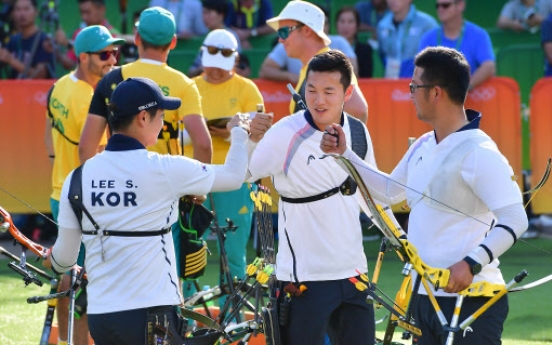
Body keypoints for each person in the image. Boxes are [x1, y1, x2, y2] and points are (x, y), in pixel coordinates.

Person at [320, 46, 529, 345]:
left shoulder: (479, 152)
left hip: (473, 300)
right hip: (425, 297)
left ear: (436, 93)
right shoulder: (422, 145)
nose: (410, 93)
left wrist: (472, 262)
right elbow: (390, 192)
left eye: (414, 86)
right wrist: (345, 154)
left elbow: (515, 218)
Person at [43, 77, 250, 345]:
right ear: (143, 117)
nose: (163, 124)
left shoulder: (77, 178)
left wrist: (51, 258)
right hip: (154, 313)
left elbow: (64, 260)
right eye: (161, 116)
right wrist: (240, 132)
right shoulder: (165, 168)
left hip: (103, 318)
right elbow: (234, 176)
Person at [247, 50, 376, 345]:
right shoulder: (284, 133)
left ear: (348, 92)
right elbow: (244, 173)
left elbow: (373, 196)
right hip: (302, 278)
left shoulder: (357, 131)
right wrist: (250, 139)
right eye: (312, 90)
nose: (319, 100)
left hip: (354, 273)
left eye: (329, 91)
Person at [43, 25, 124, 345]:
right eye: (105, 54)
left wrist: (59, 167)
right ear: (83, 57)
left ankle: (65, 342)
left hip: (60, 190)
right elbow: (101, 154)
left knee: (68, 274)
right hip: (84, 199)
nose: (112, 60)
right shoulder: (88, 100)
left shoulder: (61, 85)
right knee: (86, 280)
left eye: (115, 53)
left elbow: (49, 136)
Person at [79, 6, 212, 165]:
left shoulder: (111, 79)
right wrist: (197, 189)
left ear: (136, 38)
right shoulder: (185, 84)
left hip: (122, 182)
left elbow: (86, 147)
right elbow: (203, 144)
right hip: (166, 183)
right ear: (173, 42)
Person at [189, 28, 263, 299]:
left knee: (233, 252)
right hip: (196, 176)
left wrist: (236, 132)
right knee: (188, 247)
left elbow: (259, 132)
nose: (216, 72)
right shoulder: (192, 86)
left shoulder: (247, 89)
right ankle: (181, 315)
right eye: (210, 66)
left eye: (222, 67)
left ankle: (233, 320)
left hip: (235, 180)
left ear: (235, 60)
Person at [265, 0, 368, 123]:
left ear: (307, 31)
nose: (281, 40)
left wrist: (329, 139)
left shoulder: (329, 64)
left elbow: (357, 110)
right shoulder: (314, 67)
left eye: (284, 32)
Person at [418, 0, 495, 90]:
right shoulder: (428, 38)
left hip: (472, 99)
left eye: (445, 5)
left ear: (460, 6)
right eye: (437, 6)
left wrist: (466, 86)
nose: (440, 9)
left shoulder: (478, 35)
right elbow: (420, 70)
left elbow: (489, 66)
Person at [54, 0, 126, 71]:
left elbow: (96, 58)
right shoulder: (78, 33)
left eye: (88, 12)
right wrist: (56, 53)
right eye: (82, 12)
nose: (84, 17)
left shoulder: (112, 34)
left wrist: (66, 43)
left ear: (101, 10)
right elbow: (71, 63)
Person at [377, 0, 437, 79]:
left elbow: (436, 58)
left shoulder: (427, 24)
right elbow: (382, 54)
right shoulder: (382, 25)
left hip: (419, 83)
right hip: (390, 81)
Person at [0, 0, 54, 79]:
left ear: (36, 12)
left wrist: (11, 60)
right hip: (14, 90)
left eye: (26, 9)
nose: (22, 14)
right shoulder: (13, 40)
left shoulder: (43, 40)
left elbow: (41, 75)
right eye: (18, 9)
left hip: (37, 90)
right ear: (13, 13)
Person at [187, 0, 241, 78]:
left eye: (208, 13)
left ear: (221, 15)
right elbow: (191, 71)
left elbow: (237, 69)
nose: (205, 17)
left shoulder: (231, 37)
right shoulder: (208, 38)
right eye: (203, 13)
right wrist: (203, 69)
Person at [336, 6, 374, 78]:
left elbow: (367, 78)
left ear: (357, 26)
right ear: (336, 25)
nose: (345, 26)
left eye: (350, 22)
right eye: (342, 21)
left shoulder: (365, 50)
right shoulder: (329, 48)